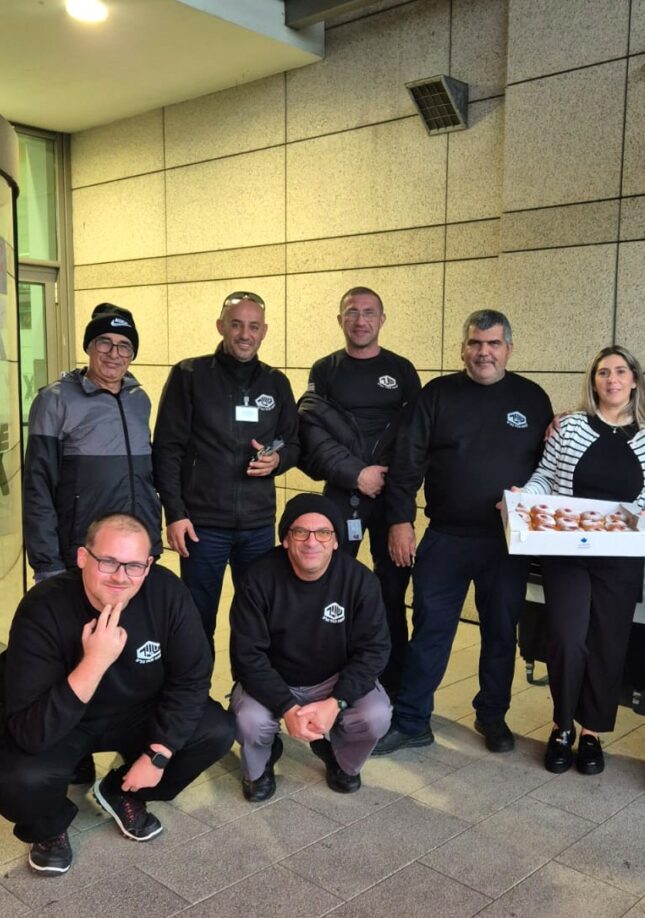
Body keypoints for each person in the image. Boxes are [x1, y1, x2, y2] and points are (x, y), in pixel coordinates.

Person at [0, 513, 235, 876]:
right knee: (14, 777)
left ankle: (122, 790)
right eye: (108, 561)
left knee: (215, 730)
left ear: (148, 566)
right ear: (83, 557)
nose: (120, 576)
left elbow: (191, 679)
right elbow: (30, 731)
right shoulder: (43, 607)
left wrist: (158, 754)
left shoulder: (168, 594)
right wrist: (94, 662)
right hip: (64, 720)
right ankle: (49, 827)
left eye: (133, 566)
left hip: (136, 712)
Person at [373, 309, 553, 756]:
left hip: (506, 541)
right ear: (462, 349)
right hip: (445, 538)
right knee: (430, 631)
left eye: (493, 343)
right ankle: (412, 720)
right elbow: (408, 461)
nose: (483, 352)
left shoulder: (532, 399)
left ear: (509, 349)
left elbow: (548, 469)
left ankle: (492, 715)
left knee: (500, 632)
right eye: (475, 343)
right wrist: (400, 520)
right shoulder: (437, 395)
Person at [518, 345, 645, 775]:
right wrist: (524, 497)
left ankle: (591, 732)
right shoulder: (570, 427)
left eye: (620, 371)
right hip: (568, 554)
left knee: (607, 645)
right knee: (567, 638)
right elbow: (546, 476)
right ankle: (561, 725)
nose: (611, 379)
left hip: (620, 558)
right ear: (593, 380)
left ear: (634, 380)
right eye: (603, 372)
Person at [153, 290, 299, 651]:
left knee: (257, 618)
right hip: (202, 525)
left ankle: (248, 683)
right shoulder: (190, 374)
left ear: (264, 331)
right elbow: (167, 449)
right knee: (196, 619)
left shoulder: (276, 382)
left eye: (253, 326)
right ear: (221, 327)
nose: (245, 334)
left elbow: (293, 443)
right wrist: (175, 513)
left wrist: (278, 460)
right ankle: (195, 685)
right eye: (236, 325)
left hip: (258, 525)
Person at [297, 286, 420, 694]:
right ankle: (330, 677)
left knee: (392, 592)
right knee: (329, 586)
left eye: (369, 312)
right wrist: (357, 474)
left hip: (392, 498)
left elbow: (415, 440)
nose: (361, 320)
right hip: (342, 494)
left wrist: (398, 502)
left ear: (382, 319)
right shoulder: (325, 370)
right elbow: (313, 434)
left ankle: (392, 682)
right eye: (352, 312)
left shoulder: (402, 370)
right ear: (340, 320)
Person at [229, 494, 392, 800]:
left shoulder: (359, 580)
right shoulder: (258, 579)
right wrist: (287, 708)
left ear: (336, 541)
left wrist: (337, 702)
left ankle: (342, 759)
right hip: (275, 678)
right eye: (300, 532)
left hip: (332, 678)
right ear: (286, 539)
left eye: (323, 533)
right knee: (249, 721)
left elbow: (374, 650)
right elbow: (247, 655)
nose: (311, 542)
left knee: (376, 715)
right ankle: (260, 766)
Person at [23, 302, 161, 583]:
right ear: (89, 347)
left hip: (135, 551)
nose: (114, 353)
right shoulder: (55, 400)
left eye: (124, 346)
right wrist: (47, 563)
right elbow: (38, 487)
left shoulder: (139, 400)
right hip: (84, 552)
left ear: (132, 355)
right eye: (104, 342)